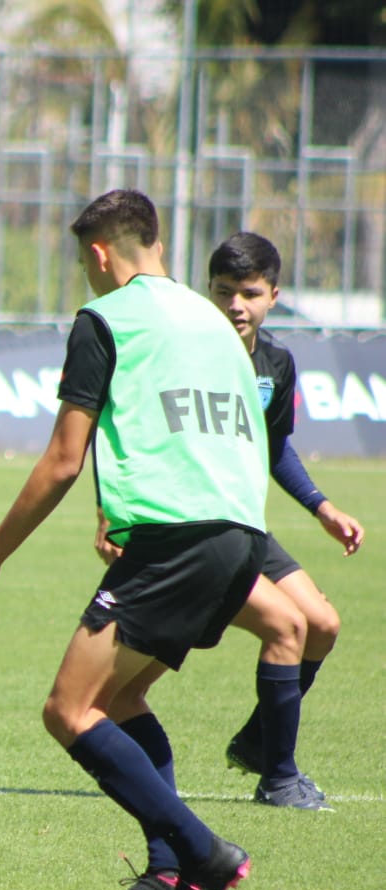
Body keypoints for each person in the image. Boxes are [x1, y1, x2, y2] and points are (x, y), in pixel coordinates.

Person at [0, 189, 270, 890]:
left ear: (98, 254)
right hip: (241, 537)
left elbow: (62, 459)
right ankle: (169, 875)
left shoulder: (105, 318)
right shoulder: (212, 322)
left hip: (176, 538)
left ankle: (203, 853)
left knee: (68, 710)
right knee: (119, 700)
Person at [93, 232, 364, 815]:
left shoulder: (275, 364)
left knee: (322, 624)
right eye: (223, 292)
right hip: (189, 525)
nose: (236, 305)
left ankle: (260, 744)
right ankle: (278, 775)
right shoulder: (184, 350)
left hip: (240, 522)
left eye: (249, 293)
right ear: (207, 291)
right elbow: (125, 422)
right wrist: (108, 511)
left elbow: (274, 447)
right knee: (287, 627)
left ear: (273, 296)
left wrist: (322, 507)